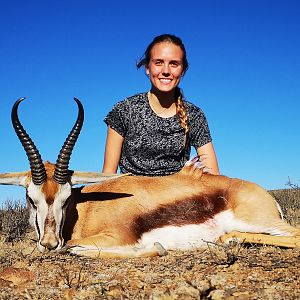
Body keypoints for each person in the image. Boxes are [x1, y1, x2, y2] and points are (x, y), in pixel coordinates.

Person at [103, 34, 219, 176]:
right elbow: (108, 174)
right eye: (158, 62)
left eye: (174, 64)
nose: (166, 71)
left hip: (177, 194)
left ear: (182, 70)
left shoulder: (194, 115)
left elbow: (213, 175)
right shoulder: (124, 110)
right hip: (131, 195)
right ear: (147, 67)